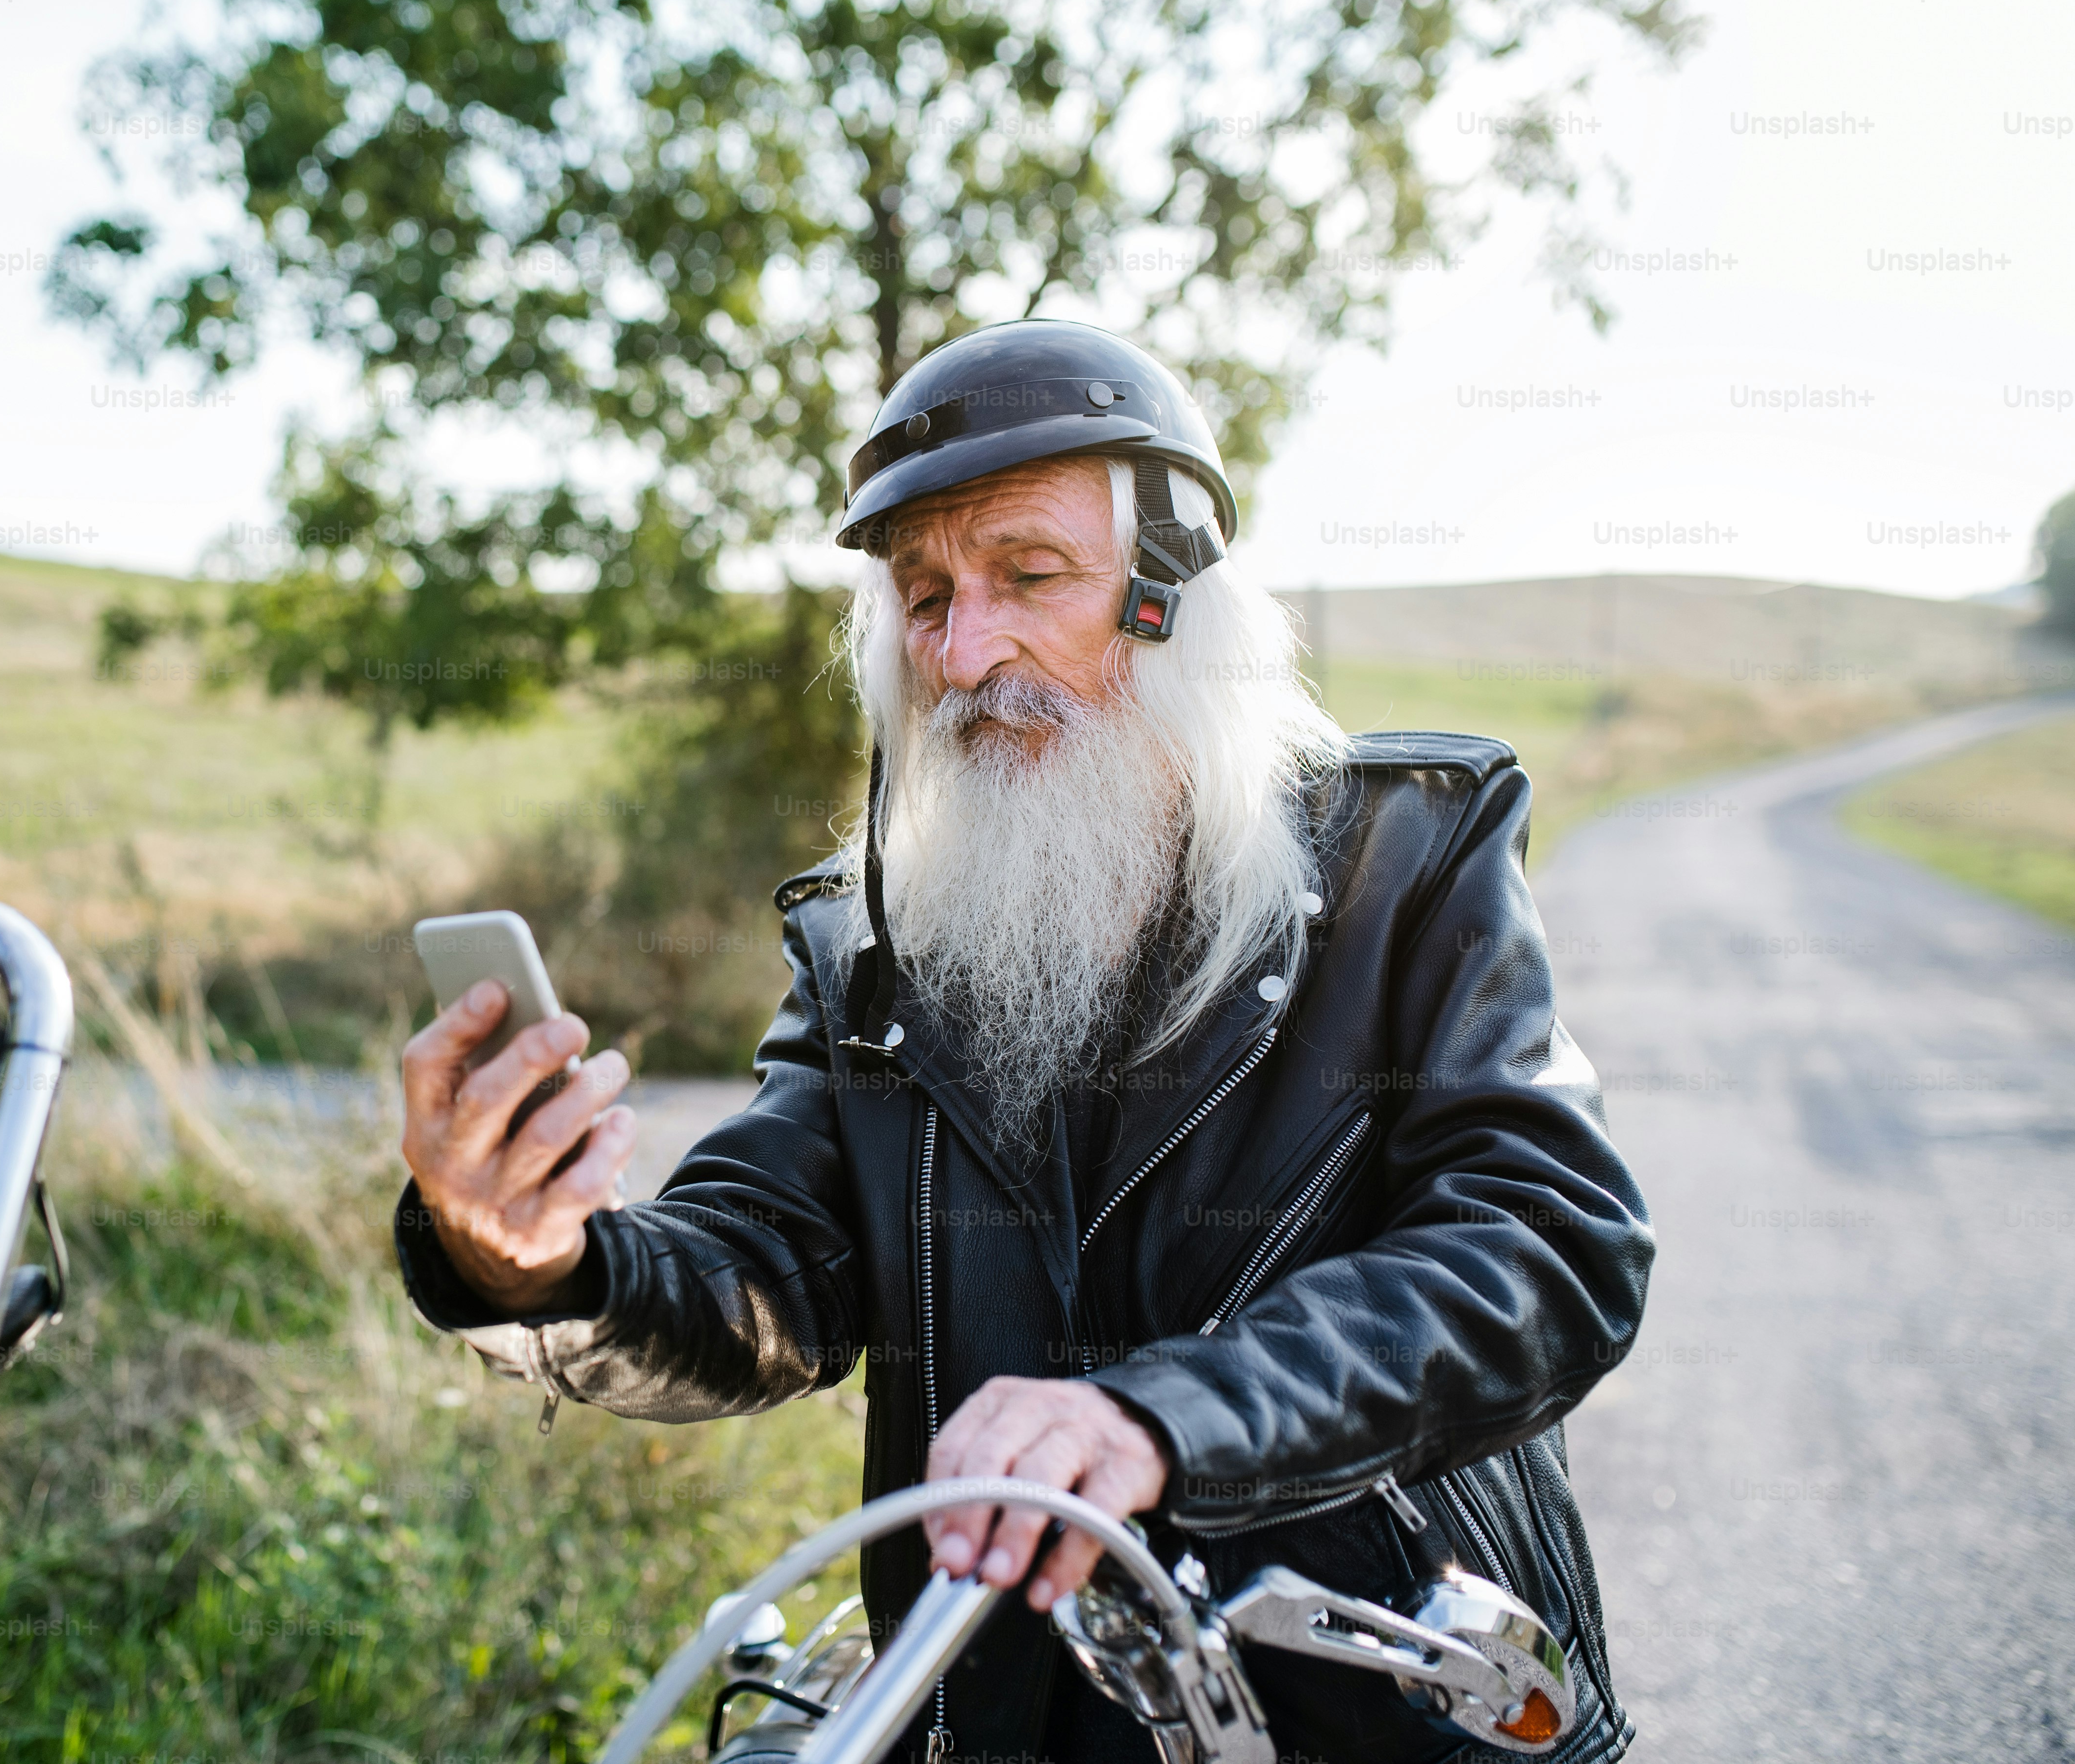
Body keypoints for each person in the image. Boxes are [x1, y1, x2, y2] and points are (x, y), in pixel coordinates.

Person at [393, 319, 1652, 1763]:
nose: (967, 648)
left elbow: (1547, 1252)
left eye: (1030, 577)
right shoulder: (875, 951)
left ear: (1172, 589)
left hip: (1381, 1712)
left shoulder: (1410, 861)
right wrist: (533, 1261)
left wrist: (1168, 1418)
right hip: (997, 1715)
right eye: (922, 597)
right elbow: (759, 1279)